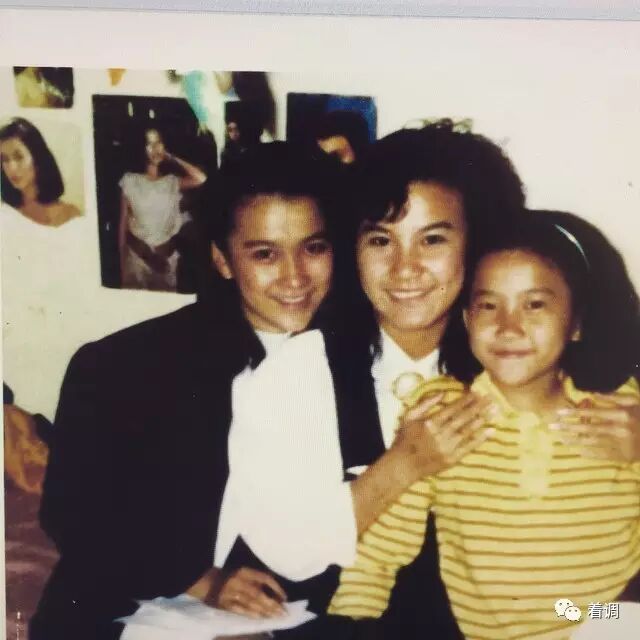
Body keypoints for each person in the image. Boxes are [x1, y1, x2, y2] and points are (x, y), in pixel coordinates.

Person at [217, 121, 527, 638]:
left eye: (432, 239)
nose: (405, 268)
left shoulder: (518, 364)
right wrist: (404, 464)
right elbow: (288, 552)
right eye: (381, 240)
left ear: (476, 245)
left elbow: (574, 577)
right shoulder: (296, 372)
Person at [31, 142, 342, 640]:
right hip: (129, 609)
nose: (295, 277)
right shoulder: (120, 365)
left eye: (314, 248)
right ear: (222, 259)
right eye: (265, 254)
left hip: (285, 615)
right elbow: (71, 514)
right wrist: (201, 580)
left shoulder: (348, 364)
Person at [327, 214, 640, 639]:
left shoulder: (620, 410)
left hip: (610, 619)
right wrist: (350, 618)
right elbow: (383, 546)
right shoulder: (443, 415)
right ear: (467, 319)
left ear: (577, 323)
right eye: (489, 306)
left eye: (535, 305)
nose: (508, 327)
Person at [117, 126, 207, 292]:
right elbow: (122, 226)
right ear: (141, 148)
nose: (155, 148)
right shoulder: (130, 180)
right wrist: (122, 264)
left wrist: (171, 157)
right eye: (149, 144)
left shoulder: (171, 182)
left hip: (166, 261)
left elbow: (201, 178)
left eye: (158, 142)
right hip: (137, 261)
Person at [1, 117, 80, 226]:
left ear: (37, 158)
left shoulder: (71, 215)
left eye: (19, 157)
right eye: (4, 159)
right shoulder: (5, 215)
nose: (11, 168)